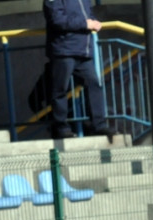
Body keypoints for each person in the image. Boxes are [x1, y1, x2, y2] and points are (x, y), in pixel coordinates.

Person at [43, 0, 113, 140]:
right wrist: (86, 23)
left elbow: (88, 14)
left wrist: (93, 21)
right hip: (64, 50)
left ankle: (98, 125)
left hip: (82, 51)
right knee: (60, 89)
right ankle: (61, 127)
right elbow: (57, 20)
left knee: (94, 85)